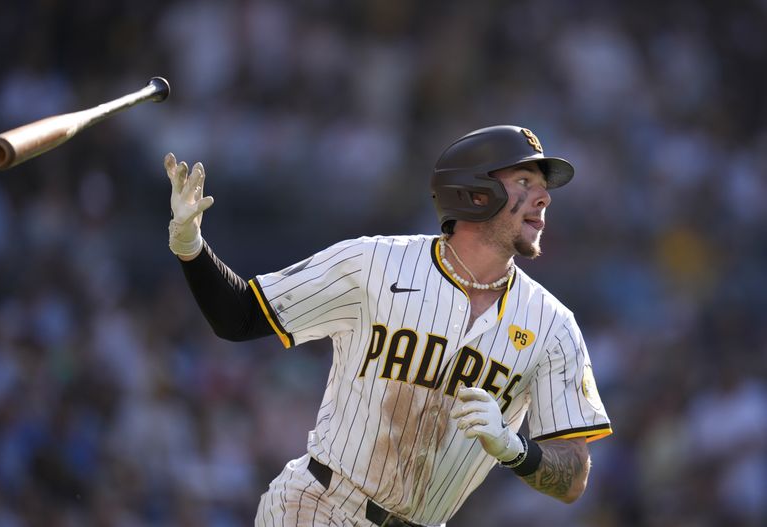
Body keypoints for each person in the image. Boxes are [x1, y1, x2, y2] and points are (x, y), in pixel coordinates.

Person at [164, 125, 612, 527]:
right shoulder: (375, 262)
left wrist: (516, 449)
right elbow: (240, 316)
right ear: (477, 193)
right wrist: (190, 245)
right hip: (320, 507)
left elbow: (573, 478)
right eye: (524, 182)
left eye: (543, 187)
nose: (544, 198)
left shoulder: (553, 326)